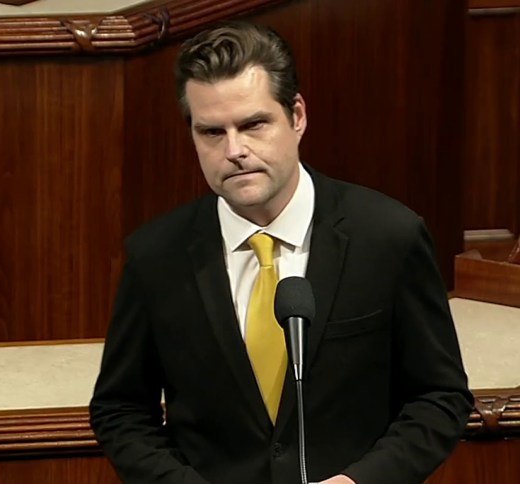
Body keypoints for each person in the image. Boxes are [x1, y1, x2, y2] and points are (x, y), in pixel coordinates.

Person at [89, 21, 473, 484]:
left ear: (297, 116)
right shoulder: (156, 256)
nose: (235, 150)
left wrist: (361, 481)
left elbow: (440, 396)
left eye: (254, 125)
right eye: (212, 132)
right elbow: (121, 410)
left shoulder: (387, 236)